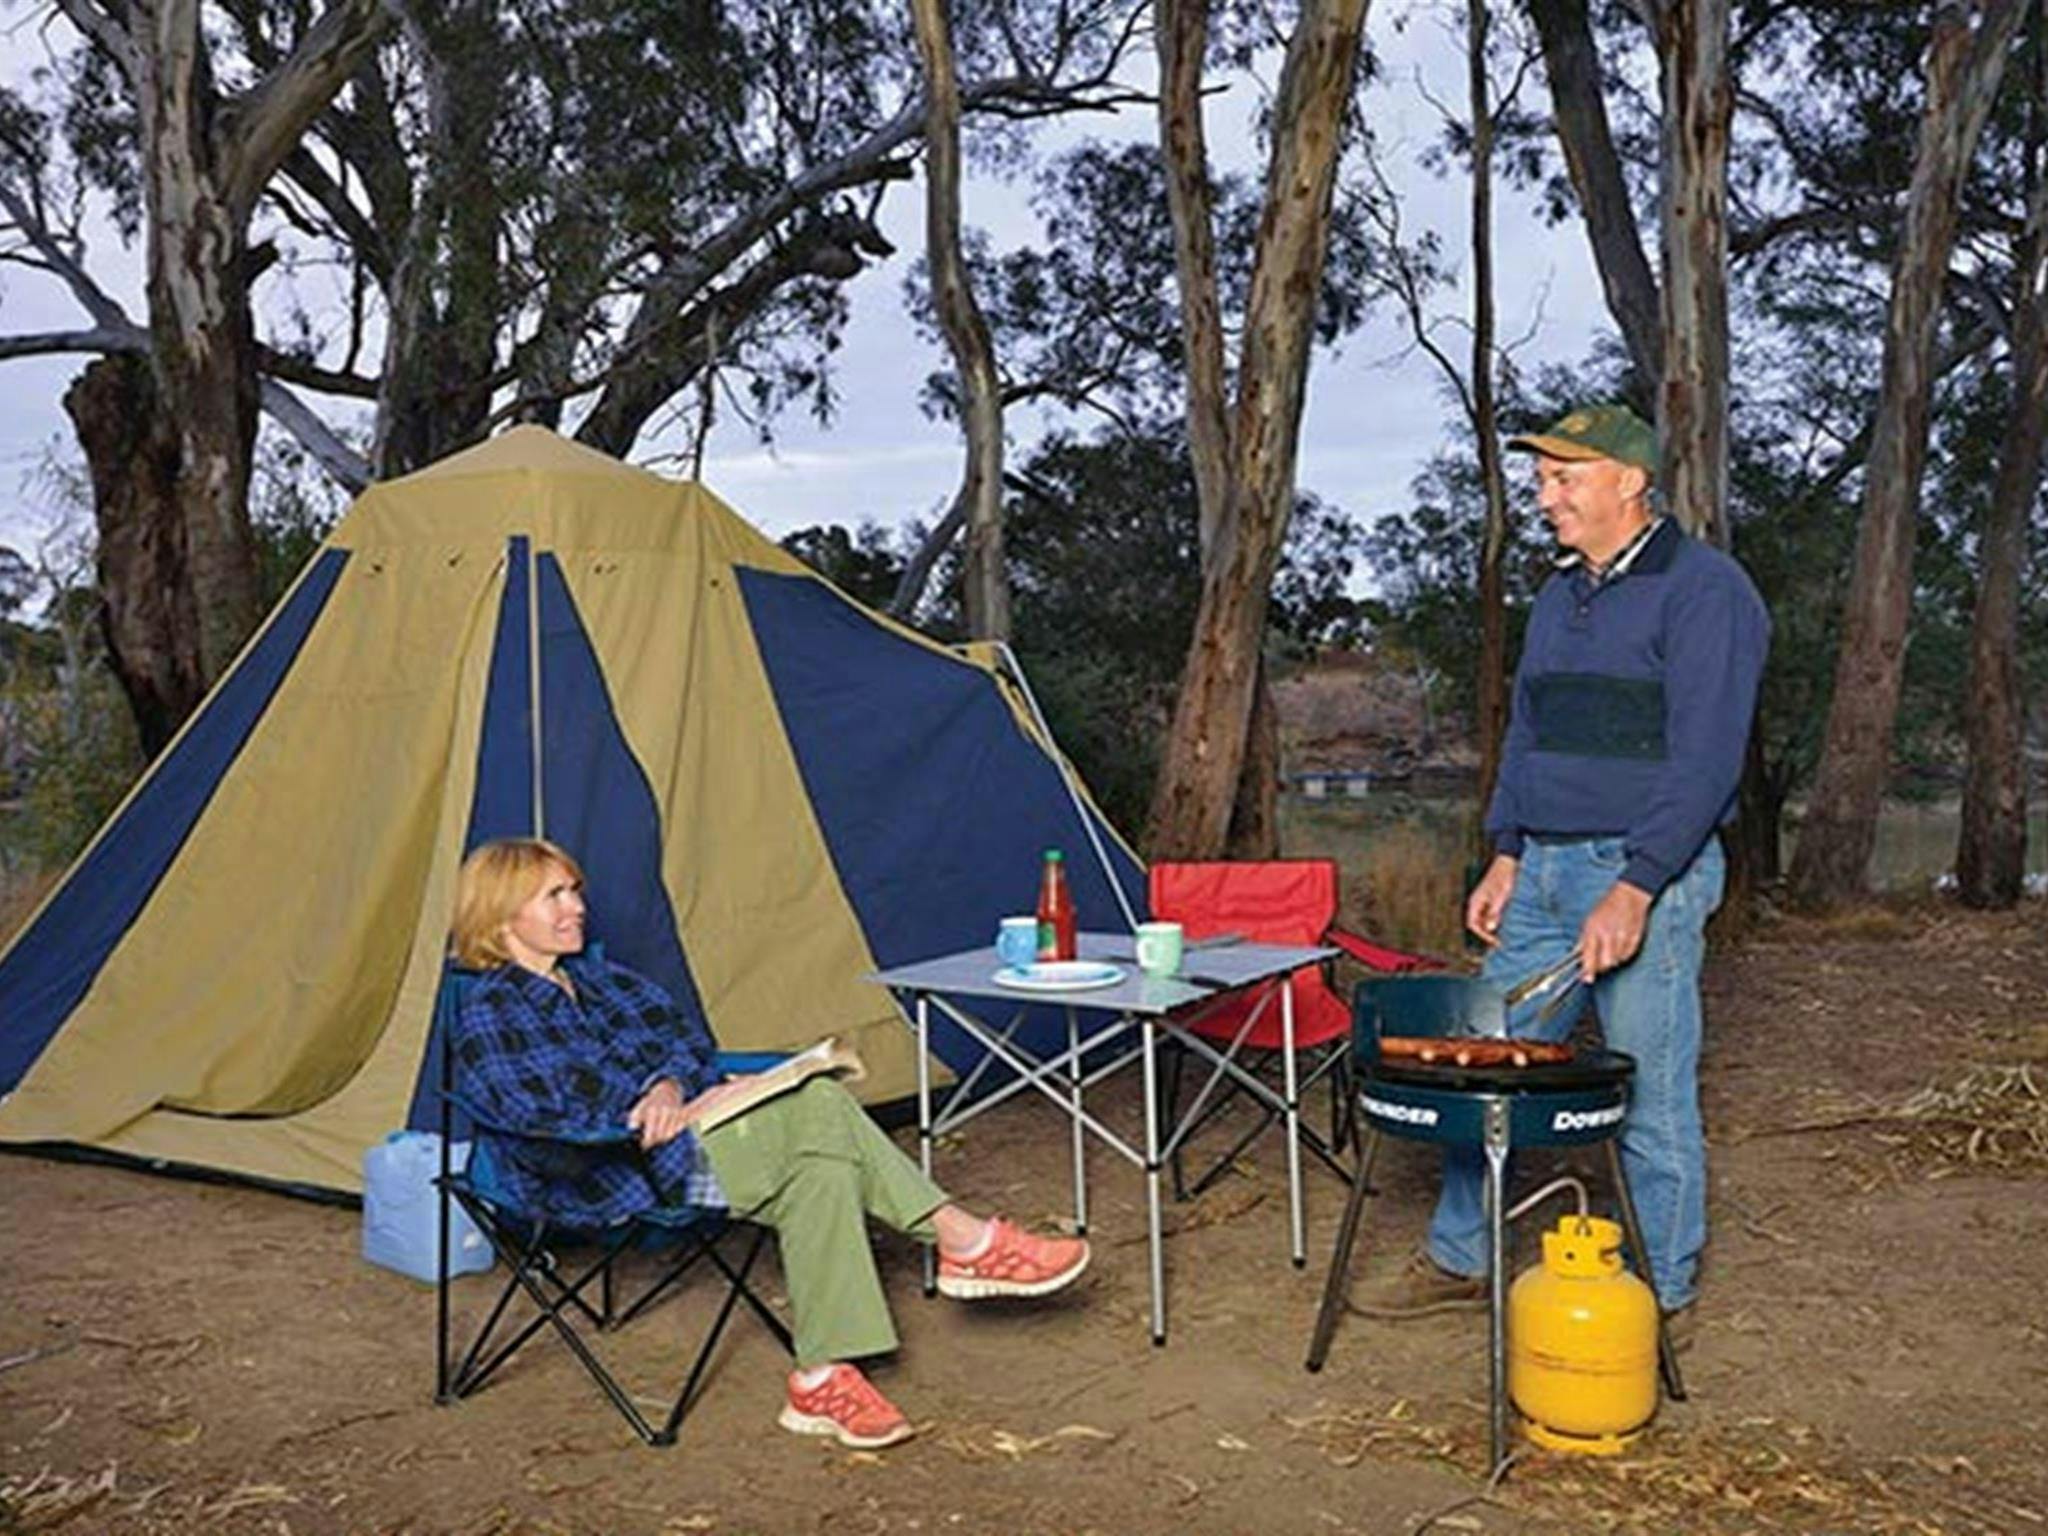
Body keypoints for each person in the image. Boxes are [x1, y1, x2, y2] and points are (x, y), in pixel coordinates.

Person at [447, 836, 1090, 1450]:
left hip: (690, 1135)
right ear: (502, 914)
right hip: (608, 1167)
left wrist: (671, 1085)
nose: (578, 907)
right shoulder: (491, 1008)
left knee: (821, 1170)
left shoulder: (603, 980)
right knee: (820, 1109)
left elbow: (682, 1043)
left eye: (575, 891)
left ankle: (821, 1378)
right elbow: (537, 1117)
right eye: (554, 896)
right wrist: (639, 1114)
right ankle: (962, 1240)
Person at [1351, 404, 1768, 1336]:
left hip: (1639, 876)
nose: (1546, 498)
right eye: (1541, 480)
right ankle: (1460, 1260)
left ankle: (1662, 1296)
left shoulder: (1707, 592)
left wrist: (1637, 886)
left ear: (1630, 481)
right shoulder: (1557, 595)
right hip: (1539, 871)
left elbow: (1706, 760)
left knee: (1646, 1088)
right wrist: (1505, 850)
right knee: (1487, 1070)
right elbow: (1526, 734)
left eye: (1564, 478)